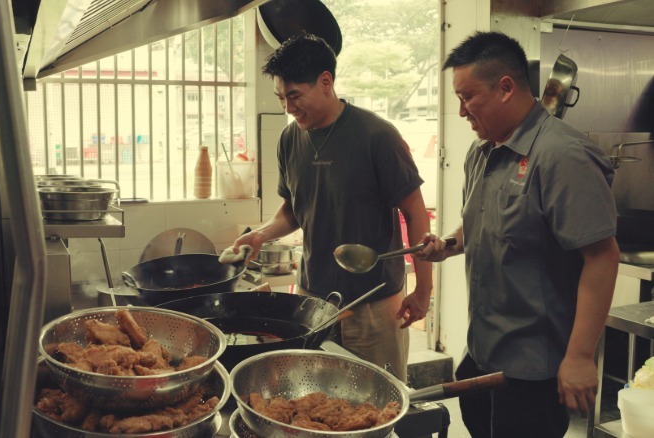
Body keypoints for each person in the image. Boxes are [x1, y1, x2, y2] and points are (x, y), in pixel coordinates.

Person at [420, 31, 620, 437]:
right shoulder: (483, 151)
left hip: (534, 369)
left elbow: (602, 256)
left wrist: (580, 356)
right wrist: (449, 245)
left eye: (467, 97)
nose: (461, 112)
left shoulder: (562, 155)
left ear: (506, 88)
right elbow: (484, 222)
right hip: (481, 352)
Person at [231, 33, 433, 383]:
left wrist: (423, 290)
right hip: (312, 302)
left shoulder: (376, 136)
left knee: (376, 403)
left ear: (326, 82)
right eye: (281, 98)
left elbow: (416, 213)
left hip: (374, 304)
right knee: (317, 402)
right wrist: (260, 235)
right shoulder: (289, 139)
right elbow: (293, 211)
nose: (288, 108)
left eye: (295, 96)